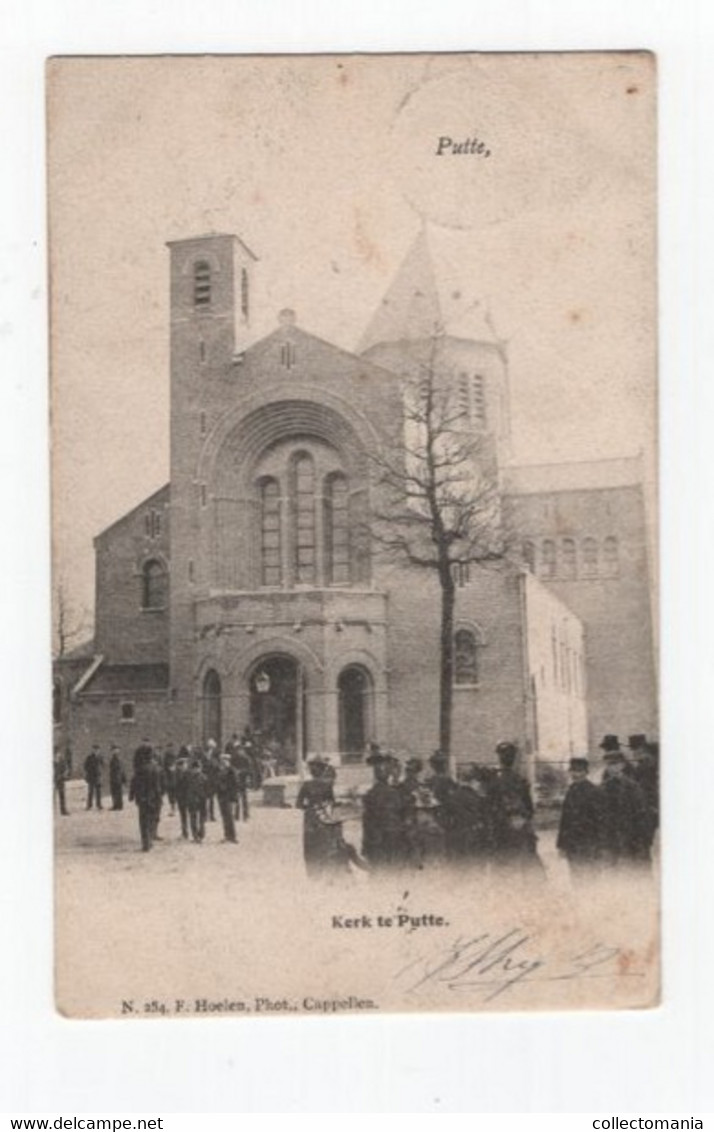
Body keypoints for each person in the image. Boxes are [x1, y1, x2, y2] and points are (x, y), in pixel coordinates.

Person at [491, 741, 544, 873]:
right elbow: (530, 809)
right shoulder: (521, 781)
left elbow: (490, 809)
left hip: (501, 832)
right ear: (514, 759)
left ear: (499, 758)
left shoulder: (494, 782)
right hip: (521, 833)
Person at [295, 757, 350, 879]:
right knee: (323, 844)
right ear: (322, 770)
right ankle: (323, 872)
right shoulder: (327, 785)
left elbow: (298, 804)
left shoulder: (306, 785)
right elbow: (331, 802)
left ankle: (312, 874)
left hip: (310, 818)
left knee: (309, 845)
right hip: (324, 817)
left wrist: (309, 808)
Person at [599, 745, 651, 867]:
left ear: (622, 765)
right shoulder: (602, 788)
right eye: (608, 764)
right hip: (609, 840)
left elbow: (641, 816)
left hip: (630, 839)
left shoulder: (633, 787)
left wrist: (641, 841)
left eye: (614, 764)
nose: (611, 768)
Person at [556, 757, 604, 880]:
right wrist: (561, 845)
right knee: (576, 878)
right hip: (573, 845)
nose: (575, 774)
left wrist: (600, 845)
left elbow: (600, 820)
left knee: (590, 878)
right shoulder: (571, 791)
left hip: (589, 844)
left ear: (585, 772)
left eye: (578, 771)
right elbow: (565, 819)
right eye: (573, 771)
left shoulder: (594, 791)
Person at [361, 750, 407, 871]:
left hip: (380, 837)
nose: (381, 769)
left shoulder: (373, 793)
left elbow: (367, 819)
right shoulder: (391, 792)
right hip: (388, 836)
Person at [128, 752, 163, 852]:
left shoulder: (139, 770)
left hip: (142, 799)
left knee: (143, 822)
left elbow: (134, 783)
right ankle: (151, 840)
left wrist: (131, 795)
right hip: (154, 799)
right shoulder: (158, 769)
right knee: (152, 819)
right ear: (152, 758)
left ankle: (146, 844)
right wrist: (159, 798)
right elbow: (159, 786)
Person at [216, 752, 239, 843]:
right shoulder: (220, 771)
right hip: (221, 797)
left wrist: (225, 787)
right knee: (224, 816)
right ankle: (226, 835)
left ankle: (232, 836)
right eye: (222, 761)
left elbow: (235, 784)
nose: (224, 763)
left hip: (229, 796)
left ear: (229, 761)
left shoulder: (232, 771)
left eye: (225, 761)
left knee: (229, 816)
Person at [186, 757, 208, 843]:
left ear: (200, 768)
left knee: (202, 818)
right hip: (192, 800)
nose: (196, 770)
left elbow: (207, 789)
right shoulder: (189, 778)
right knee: (193, 818)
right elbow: (187, 789)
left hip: (202, 800)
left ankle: (201, 834)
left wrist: (205, 797)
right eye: (194, 768)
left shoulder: (204, 777)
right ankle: (195, 836)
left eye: (198, 768)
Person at [231, 742, 253, 822]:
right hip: (235, 780)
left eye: (239, 750)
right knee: (236, 798)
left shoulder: (246, 758)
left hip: (243, 779)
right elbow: (231, 767)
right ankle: (236, 815)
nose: (238, 751)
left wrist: (241, 771)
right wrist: (235, 771)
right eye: (237, 750)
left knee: (244, 798)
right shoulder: (234, 758)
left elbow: (250, 770)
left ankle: (245, 815)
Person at [174, 748, 191, 839]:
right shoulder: (178, 774)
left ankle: (189, 832)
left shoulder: (188, 774)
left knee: (189, 815)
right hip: (181, 798)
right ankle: (185, 832)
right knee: (183, 815)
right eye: (183, 765)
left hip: (187, 797)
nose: (184, 766)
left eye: (185, 764)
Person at [83, 745, 104, 810]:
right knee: (90, 792)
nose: (96, 751)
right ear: (92, 750)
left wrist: (101, 773)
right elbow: (85, 766)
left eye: (97, 750)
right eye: (95, 750)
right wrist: (89, 772)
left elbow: (103, 766)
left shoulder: (100, 757)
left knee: (98, 792)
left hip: (98, 776)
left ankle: (99, 805)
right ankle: (89, 805)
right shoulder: (89, 758)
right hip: (91, 777)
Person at [108, 745, 126, 811]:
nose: (113, 751)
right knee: (115, 792)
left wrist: (123, 778)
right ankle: (117, 805)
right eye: (113, 750)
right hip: (115, 778)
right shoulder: (115, 758)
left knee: (117, 792)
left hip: (117, 778)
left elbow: (121, 769)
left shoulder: (117, 759)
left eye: (115, 750)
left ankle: (118, 805)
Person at [53, 746, 69, 815]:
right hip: (53, 780)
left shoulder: (62, 760)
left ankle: (63, 810)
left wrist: (63, 775)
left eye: (58, 752)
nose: (58, 754)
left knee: (62, 795)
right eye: (56, 752)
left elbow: (66, 769)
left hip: (60, 780)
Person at [162, 743, 177, 816]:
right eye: (168, 748)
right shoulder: (166, 757)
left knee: (173, 794)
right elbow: (164, 767)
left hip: (173, 778)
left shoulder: (174, 756)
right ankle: (172, 808)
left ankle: (173, 808)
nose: (170, 749)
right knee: (171, 794)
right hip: (168, 778)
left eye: (171, 748)